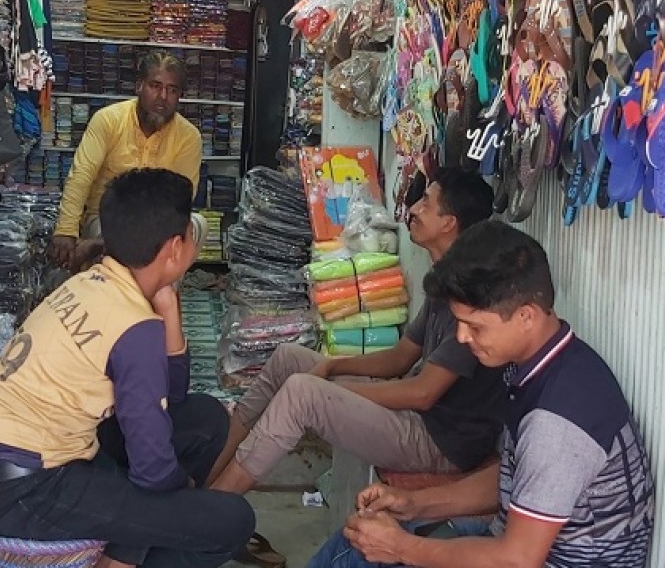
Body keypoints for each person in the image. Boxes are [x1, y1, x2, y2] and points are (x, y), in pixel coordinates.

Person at [308, 221, 656, 568]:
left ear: (526, 316)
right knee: (358, 541)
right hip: (514, 543)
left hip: (529, 559)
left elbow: (516, 561)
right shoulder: (553, 364)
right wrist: (413, 503)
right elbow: (519, 478)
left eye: (475, 326)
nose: (462, 337)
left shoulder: (557, 421)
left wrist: (401, 548)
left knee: (358, 556)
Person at [209, 169, 508, 560]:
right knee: (289, 359)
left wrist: (335, 389)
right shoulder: (446, 279)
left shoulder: (472, 294)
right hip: (417, 417)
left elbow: (422, 393)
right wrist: (333, 367)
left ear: (449, 223)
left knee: (302, 393)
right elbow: (401, 357)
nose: (414, 209)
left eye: (426, 202)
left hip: (438, 442)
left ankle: (208, 519)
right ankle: (209, 480)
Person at [0, 168, 254, 568]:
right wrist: (184, 494)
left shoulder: (93, 282)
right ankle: (127, 555)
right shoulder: (133, 326)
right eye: (192, 233)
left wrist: (168, 310)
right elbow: (154, 471)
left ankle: (123, 552)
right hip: (28, 493)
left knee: (204, 418)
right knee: (232, 521)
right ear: (175, 249)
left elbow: (171, 397)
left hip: (19, 468)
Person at [49, 51, 203, 267]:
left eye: (172, 90)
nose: (163, 96)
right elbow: (81, 175)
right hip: (107, 218)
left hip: (160, 223)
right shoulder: (108, 120)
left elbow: (181, 199)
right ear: (139, 86)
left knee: (197, 224)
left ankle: (158, 283)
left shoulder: (189, 136)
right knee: (115, 237)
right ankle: (109, 254)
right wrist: (66, 229)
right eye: (155, 86)